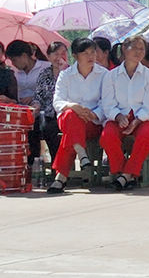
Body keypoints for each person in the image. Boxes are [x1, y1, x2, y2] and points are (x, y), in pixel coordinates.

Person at [100, 35, 149, 190]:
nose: (138, 52)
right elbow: (107, 103)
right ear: (125, 49)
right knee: (108, 136)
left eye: (142, 49)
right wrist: (118, 116)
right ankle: (125, 173)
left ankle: (125, 175)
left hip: (144, 118)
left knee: (146, 136)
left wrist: (137, 121)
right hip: (119, 116)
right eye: (135, 48)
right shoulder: (111, 76)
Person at [47, 37, 108, 193]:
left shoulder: (104, 74)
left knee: (70, 134)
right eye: (85, 53)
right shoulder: (65, 75)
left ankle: (61, 177)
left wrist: (93, 114)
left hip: (92, 121)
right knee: (71, 115)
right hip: (69, 117)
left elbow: (107, 101)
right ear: (75, 56)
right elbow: (58, 101)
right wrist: (72, 106)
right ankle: (82, 154)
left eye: (93, 52)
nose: (90, 56)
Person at [32, 41, 70, 164]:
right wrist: (36, 106)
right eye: (56, 54)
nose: (59, 57)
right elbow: (38, 95)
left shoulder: (71, 72)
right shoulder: (44, 73)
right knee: (32, 127)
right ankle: (34, 164)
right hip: (47, 113)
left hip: (65, 112)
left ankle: (59, 164)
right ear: (48, 57)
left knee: (52, 129)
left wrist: (62, 71)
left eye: (63, 53)